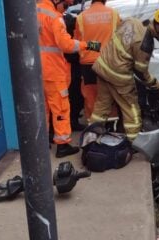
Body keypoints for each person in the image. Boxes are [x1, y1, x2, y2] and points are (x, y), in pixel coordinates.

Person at [90, 7, 159, 141]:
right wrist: (155, 84)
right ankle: (135, 141)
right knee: (132, 110)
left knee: (101, 106)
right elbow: (141, 72)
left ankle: (90, 138)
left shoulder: (131, 21)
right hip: (119, 77)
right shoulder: (146, 43)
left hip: (102, 68)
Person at [37, 0, 101, 158]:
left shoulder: (33, 12)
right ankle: (62, 145)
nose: (65, 7)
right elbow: (65, 44)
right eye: (65, 4)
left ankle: (42, 142)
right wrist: (88, 45)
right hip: (53, 70)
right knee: (60, 108)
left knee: (43, 108)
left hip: (37, 70)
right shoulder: (54, 17)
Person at [74, 0, 121, 122]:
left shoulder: (81, 17)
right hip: (109, 62)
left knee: (91, 95)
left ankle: (93, 126)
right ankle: (111, 126)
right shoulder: (114, 14)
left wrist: (92, 48)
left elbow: (78, 42)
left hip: (88, 63)